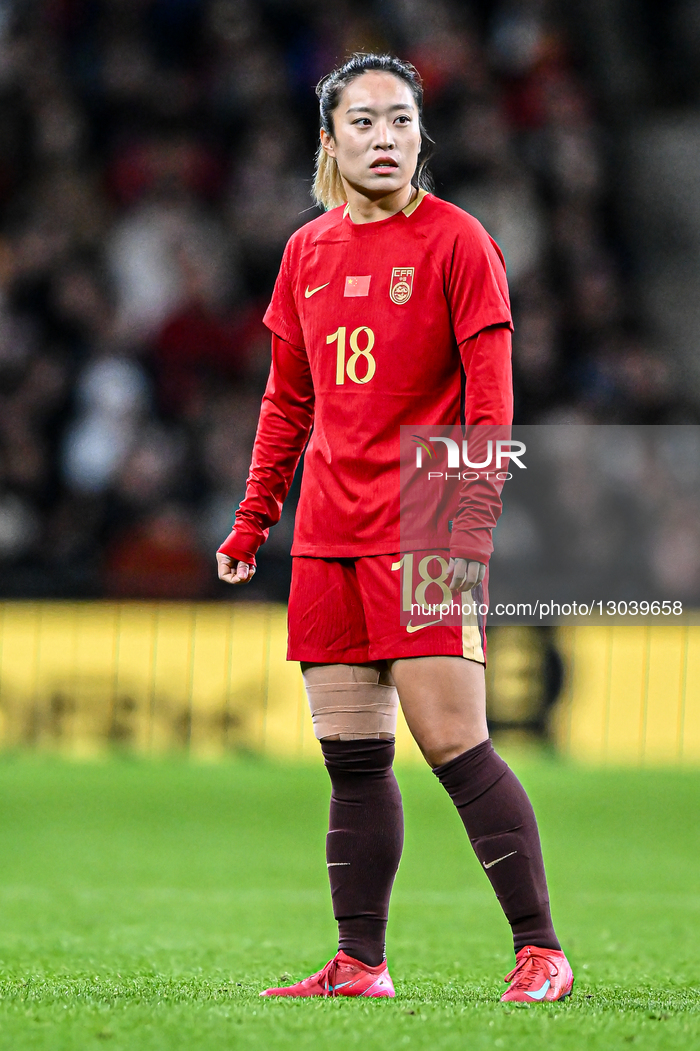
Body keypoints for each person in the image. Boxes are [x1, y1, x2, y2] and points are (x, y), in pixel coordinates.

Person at [216, 53, 573, 1004]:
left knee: (454, 743)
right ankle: (359, 962)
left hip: (428, 517)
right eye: (365, 122)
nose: (386, 138)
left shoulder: (459, 241)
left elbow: (490, 400)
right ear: (329, 140)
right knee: (354, 756)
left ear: (423, 135)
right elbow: (287, 404)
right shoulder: (306, 253)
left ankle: (542, 950)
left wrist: (468, 520)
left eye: (403, 121)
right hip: (328, 528)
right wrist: (255, 518)